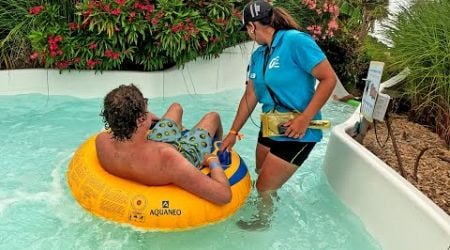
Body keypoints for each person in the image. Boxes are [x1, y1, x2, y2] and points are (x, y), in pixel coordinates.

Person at [219, 1, 336, 228]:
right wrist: (233, 132)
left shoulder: (295, 41)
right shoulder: (258, 56)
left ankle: (263, 223)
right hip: (270, 125)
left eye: (246, 29)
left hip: (298, 131)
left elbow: (328, 78)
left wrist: (305, 119)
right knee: (260, 174)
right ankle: (266, 210)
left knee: (265, 187)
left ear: (252, 26)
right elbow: (249, 97)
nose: (248, 34)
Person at [95, 84, 231, 205]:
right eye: (146, 108)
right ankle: (215, 143)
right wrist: (212, 160)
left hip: (151, 144)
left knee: (176, 108)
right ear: (140, 120)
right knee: (213, 117)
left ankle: (178, 128)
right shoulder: (167, 158)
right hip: (181, 154)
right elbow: (224, 196)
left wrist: (147, 119)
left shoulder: (102, 141)